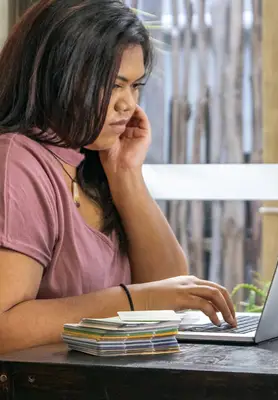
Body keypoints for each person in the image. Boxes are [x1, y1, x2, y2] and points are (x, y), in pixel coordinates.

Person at [0, 0, 236, 355]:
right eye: (113, 85)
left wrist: (127, 175)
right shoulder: (16, 162)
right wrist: (134, 299)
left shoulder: (90, 163)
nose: (128, 104)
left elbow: (168, 288)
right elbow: (5, 327)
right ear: (56, 75)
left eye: (135, 86)